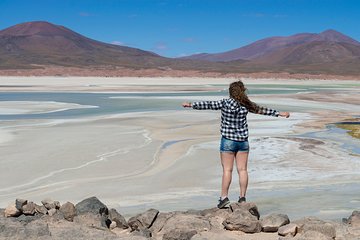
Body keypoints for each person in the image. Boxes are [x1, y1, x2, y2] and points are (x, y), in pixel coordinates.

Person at [182, 80, 290, 208]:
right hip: (243, 142)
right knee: (242, 170)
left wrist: (191, 104)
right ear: (242, 91)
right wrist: (279, 113)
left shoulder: (225, 103)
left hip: (228, 141)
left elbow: (208, 104)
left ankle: (224, 198)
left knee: (227, 170)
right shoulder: (246, 104)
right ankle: (242, 198)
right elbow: (261, 110)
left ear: (231, 92)